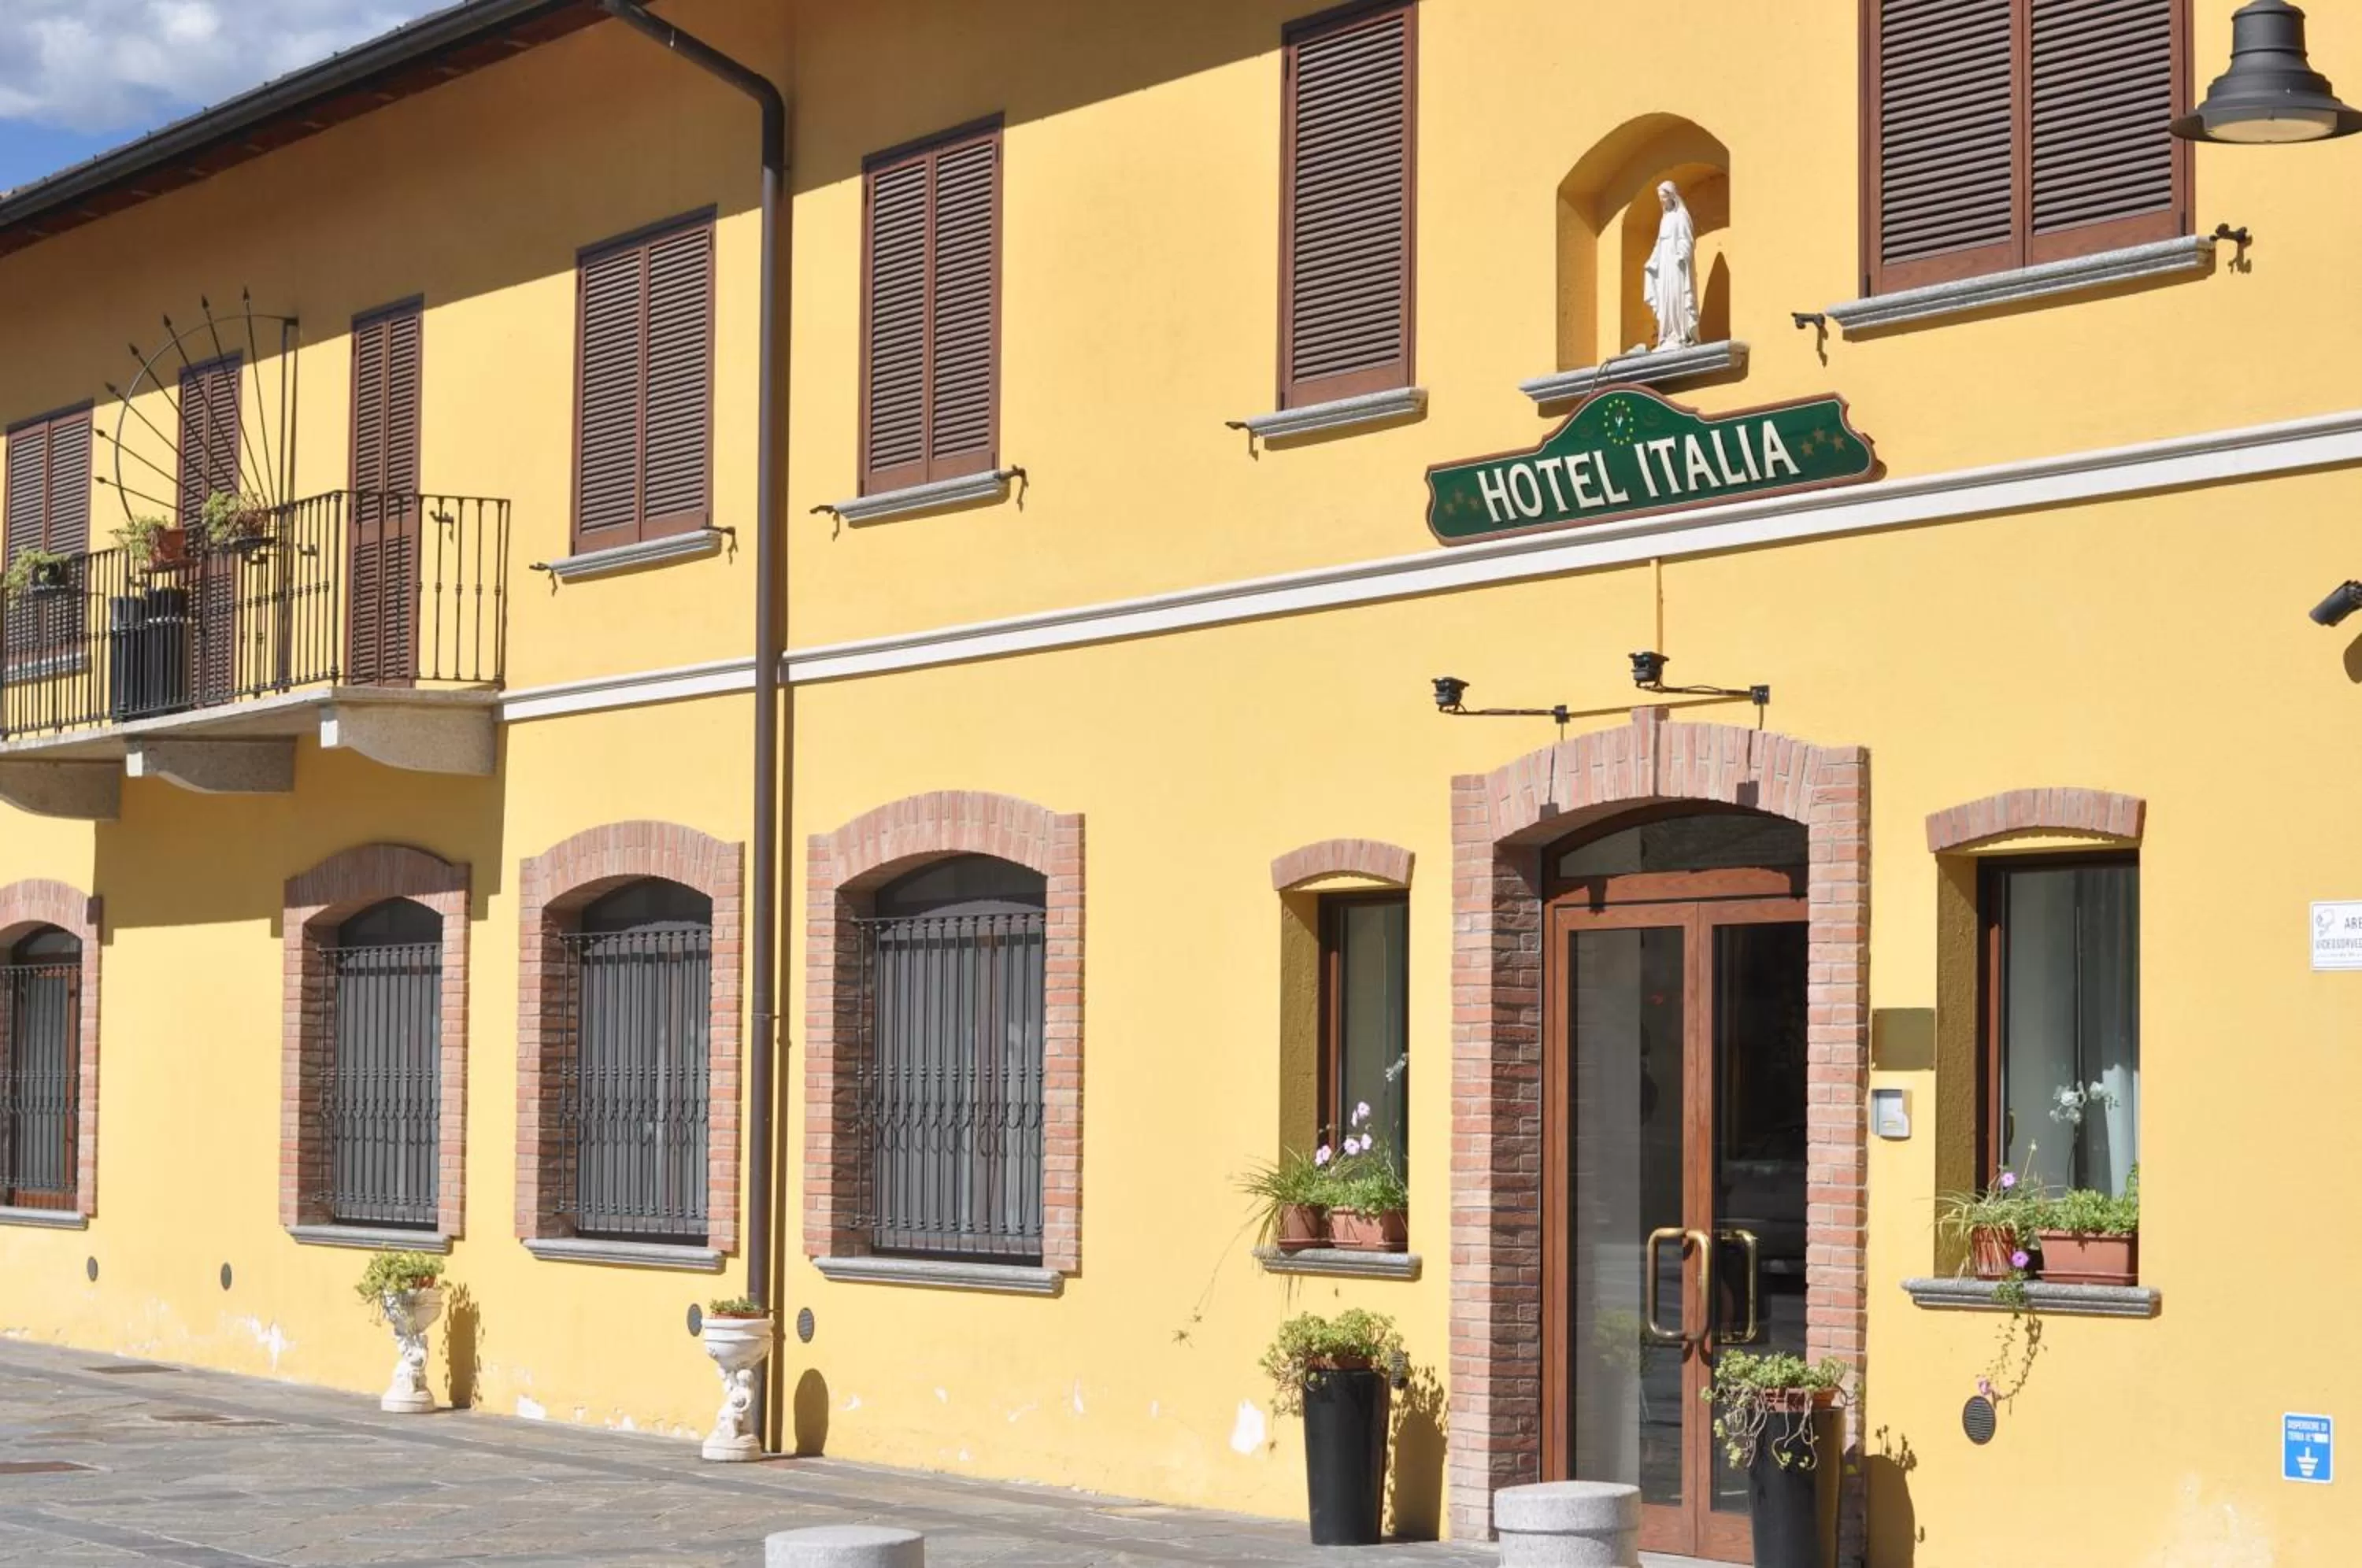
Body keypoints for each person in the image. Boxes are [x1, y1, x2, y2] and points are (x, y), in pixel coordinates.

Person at [1642, 180, 1698, 353]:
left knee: (1676, 297)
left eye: (1665, 197)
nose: (1663, 201)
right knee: (1665, 299)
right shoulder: (1664, 219)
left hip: (1676, 266)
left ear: (1673, 196)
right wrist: (1652, 260)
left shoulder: (1681, 216)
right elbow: (1659, 243)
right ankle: (1666, 336)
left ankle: (1679, 334)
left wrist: (1682, 254)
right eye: (1661, 198)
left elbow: (1687, 239)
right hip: (1665, 265)